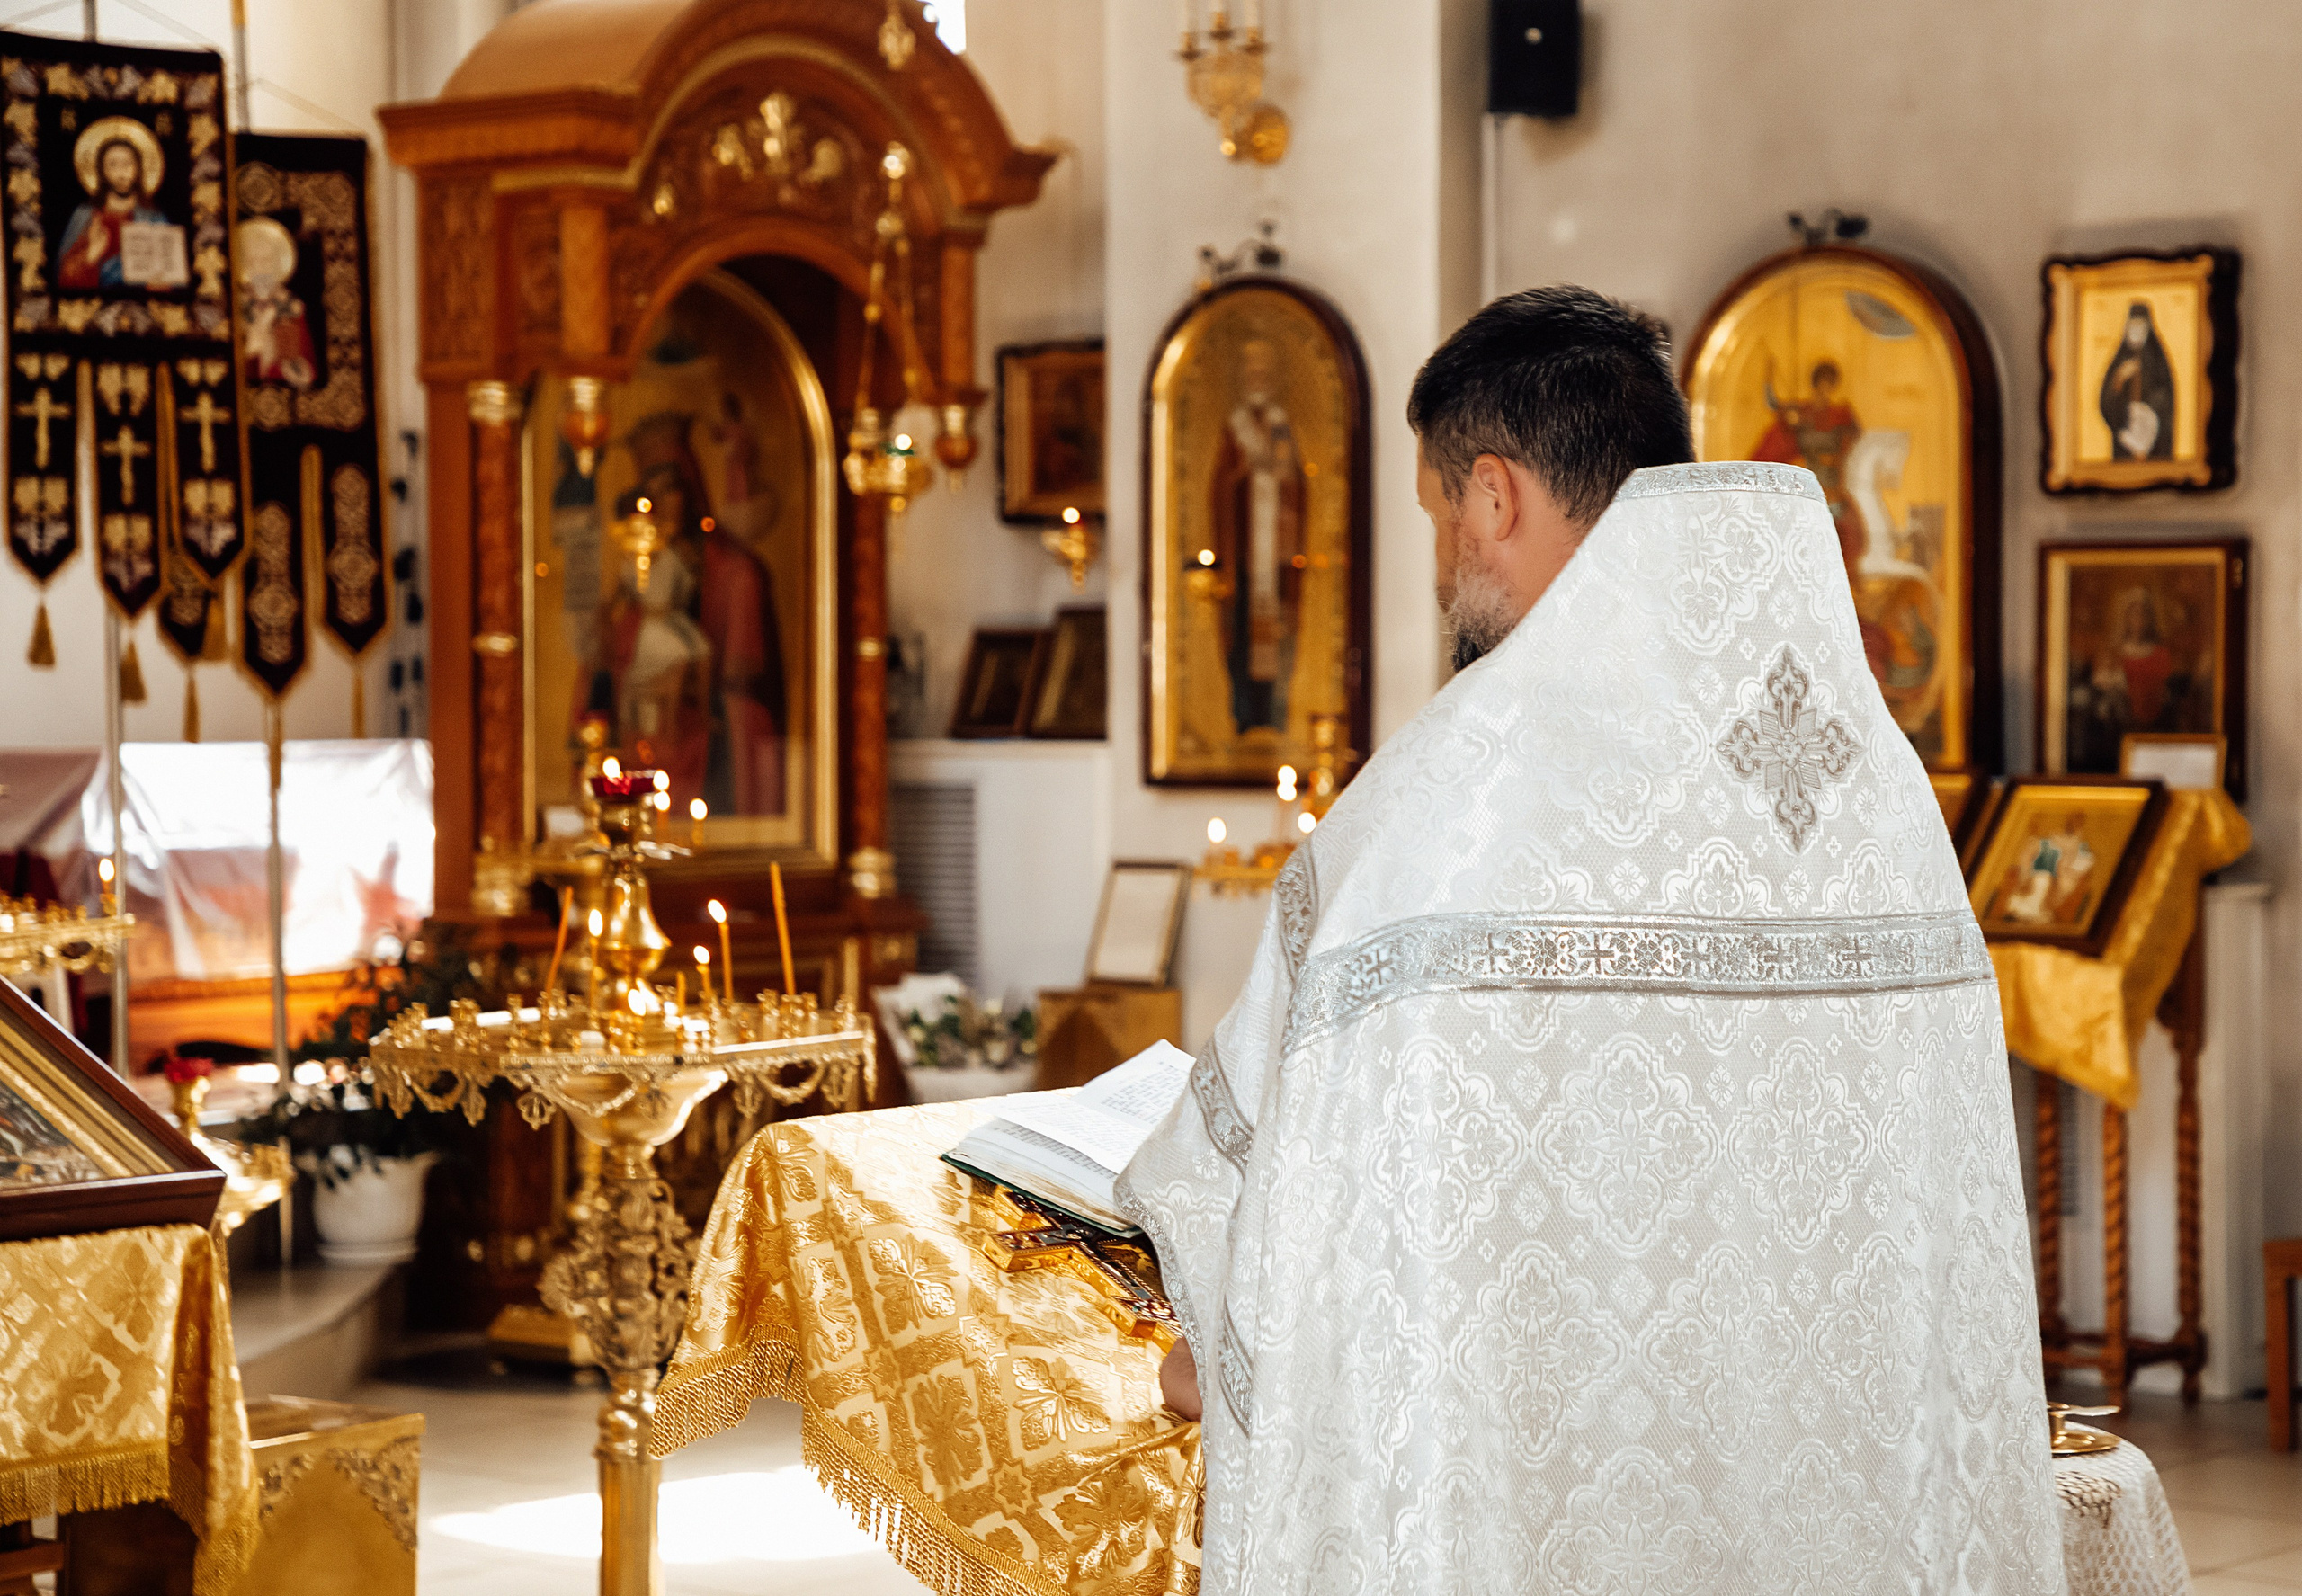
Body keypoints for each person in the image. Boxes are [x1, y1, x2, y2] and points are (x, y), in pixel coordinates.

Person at [1119, 286, 2060, 1594]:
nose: (1447, 559)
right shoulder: (1869, 783)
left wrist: (1211, 1340)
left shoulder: (1446, 796)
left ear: (1493, 495)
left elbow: (1280, 1169)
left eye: (1441, 516)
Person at [1207, 338, 1305, 734]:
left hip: (1278, 554)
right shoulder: (1236, 429)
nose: (1258, 378)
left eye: (1264, 372)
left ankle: (1277, 710)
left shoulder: (1283, 426)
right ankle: (1244, 714)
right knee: (1243, 633)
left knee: (1279, 629)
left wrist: (1286, 483)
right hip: (1245, 557)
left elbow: (1301, 487)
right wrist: (1240, 475)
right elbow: (1218, 488)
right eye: (1252, 372)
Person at [57, 119, 172, 290]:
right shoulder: (87, 215)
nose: (121, 172)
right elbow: (63, 278)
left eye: (127, 164)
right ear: (102, 171)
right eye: (113, 164)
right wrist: (91, 255)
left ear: (138, 168)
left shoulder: (154, 218)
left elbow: (170, 275)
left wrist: (162, 283)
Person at [2101, 301, 2175, 461]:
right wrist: (2119, 379)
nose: (2136, 332)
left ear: (2148, 329)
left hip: (2154, 445)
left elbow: (2167, 398)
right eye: (2132, 327)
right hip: (2125, 445)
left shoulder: (2157, 362)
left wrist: (2147, 411)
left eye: (2140, 327)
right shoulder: (2119, 362)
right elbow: (2105, 404)